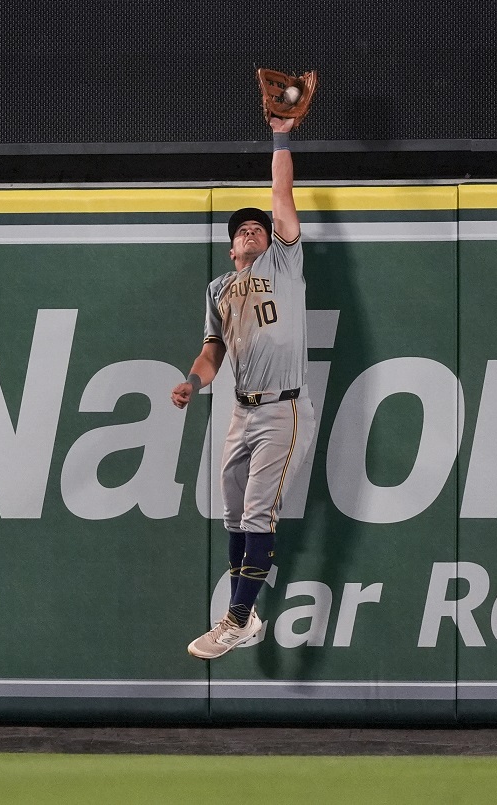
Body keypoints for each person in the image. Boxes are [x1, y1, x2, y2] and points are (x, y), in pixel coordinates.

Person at [172, 115, 317, 660]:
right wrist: (191, 382)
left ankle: (234, 619)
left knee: (257, 514)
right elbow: (213, 352)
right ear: (232, 248)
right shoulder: (218, 288)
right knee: (233, 515)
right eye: (241, 230)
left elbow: (281, 190)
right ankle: (247, 614)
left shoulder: (284, 262)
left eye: (257, 226)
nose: (251, 230)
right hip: (240, 410)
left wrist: (281, 135)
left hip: (284, 406)